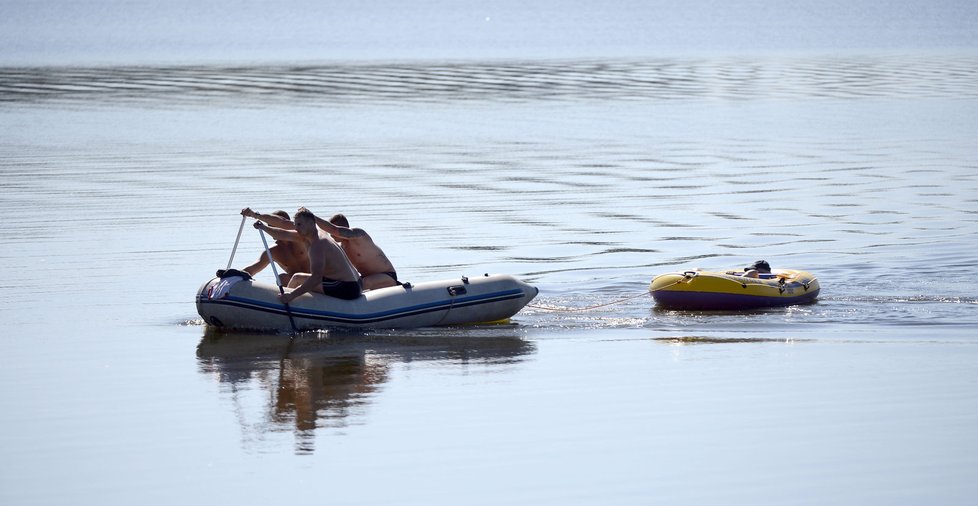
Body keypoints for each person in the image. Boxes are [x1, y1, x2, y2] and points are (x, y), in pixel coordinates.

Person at [254, 209, 361, 302]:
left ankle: (288, 302)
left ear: (311, 223)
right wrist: (263, 228)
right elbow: (282, 233)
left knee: (297, 279)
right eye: (295, 225)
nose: (296, 228)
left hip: (346, 287)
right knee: (297, 278)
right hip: (354, 283)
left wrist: (292, 295)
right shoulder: (313, 234)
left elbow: (316, 278)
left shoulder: (317, 245)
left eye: (299, 225)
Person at [300, 207, 400, 290]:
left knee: (365, 283)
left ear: (344, 227)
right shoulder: (342, 248)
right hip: (365, 277)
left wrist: (311, 217)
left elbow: (334, 230)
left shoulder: (359, 235)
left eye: (332, 232)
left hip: (387, 275)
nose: (331, 235)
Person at [238, 209, 309, 285]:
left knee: (294, 277)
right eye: (271, 227)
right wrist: (230, 275)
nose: (272, 231)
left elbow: (282, 222)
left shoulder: (302, 238)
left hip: (317, 279)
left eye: (276, 227)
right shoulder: (273, 251)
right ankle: (290, 295)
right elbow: (252, 269)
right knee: (282, 278)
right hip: (298, 284)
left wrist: (254, 215)